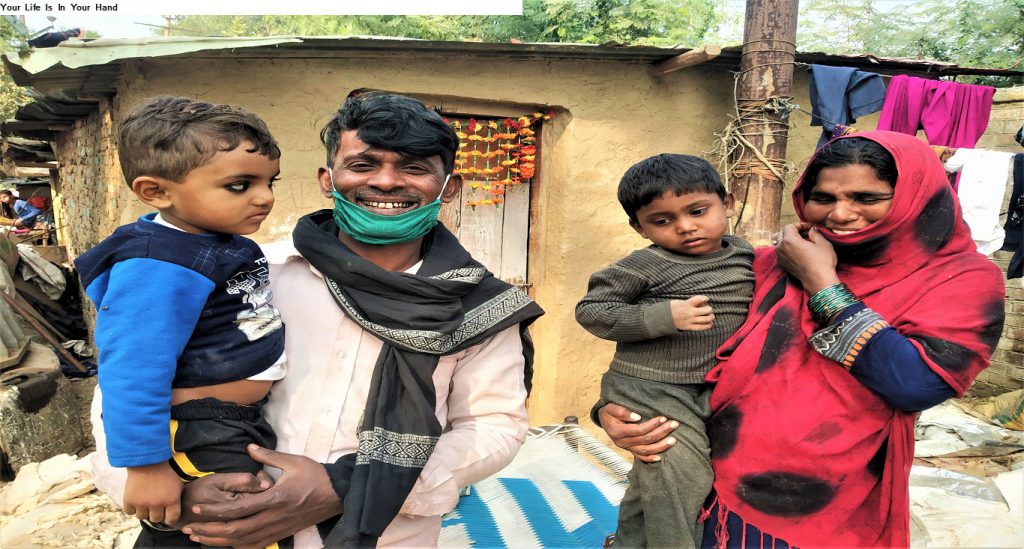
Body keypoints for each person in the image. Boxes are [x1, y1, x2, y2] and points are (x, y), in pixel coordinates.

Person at [89, 92, 544, 548]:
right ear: (328, 180)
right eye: (363, 165)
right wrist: (176, 495)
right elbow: (126, 387)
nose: (387, 182)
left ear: (451, 187)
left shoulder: (477, 306)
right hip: (207, 531)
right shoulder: (249, 276)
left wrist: (347, 487)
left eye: (414, 168)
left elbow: (492, 426)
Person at [597, 131, 1005, 548]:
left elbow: (917, 384)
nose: (840, 214)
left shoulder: (959, 278)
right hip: (709, 477)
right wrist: (620, 411)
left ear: (915, 196)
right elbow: (677, 344)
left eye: (867, 198)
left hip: (822, 498)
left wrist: (822, 284)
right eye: (823, 198)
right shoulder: (765, 264)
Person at [75, 96, 288, 543]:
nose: (265, 197)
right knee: (223, 524)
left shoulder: (215, 241)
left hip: (230, 421)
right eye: (239, 185)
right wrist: (147, 467)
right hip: (197, 429)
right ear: (156, 192)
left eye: (270, 181)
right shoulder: (158, 266)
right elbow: (132, 368)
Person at [576, 154, 753, 548]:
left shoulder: (745, 256)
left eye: (697, 211)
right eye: (662, 220)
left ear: (727, 203)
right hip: (649, 389)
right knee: (681, 478)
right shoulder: (646, 264)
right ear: (639, 227)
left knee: (654, 483)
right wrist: (662, 316)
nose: (685, 226)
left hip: (707, 390)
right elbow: (592, 311)